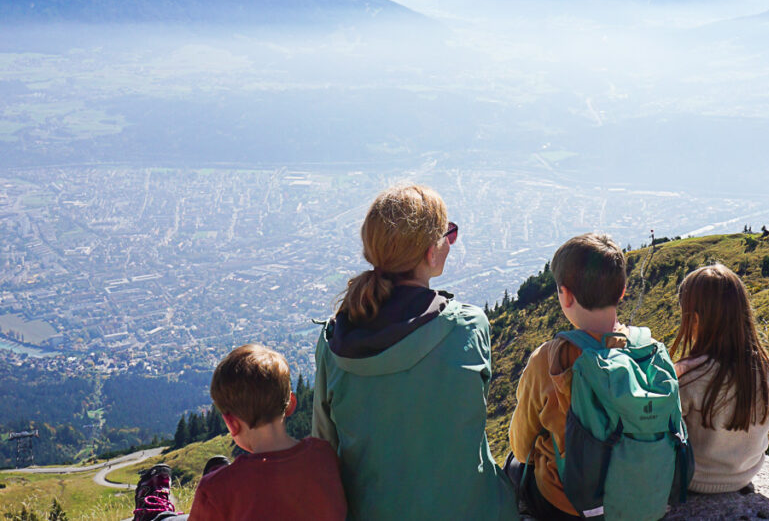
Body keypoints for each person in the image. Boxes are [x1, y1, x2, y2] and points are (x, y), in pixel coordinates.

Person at [312, 184, 517, 521]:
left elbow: (323, 446)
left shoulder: (334, 339)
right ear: (429, 252)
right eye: (447, 235)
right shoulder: (468, 327)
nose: (450, 243)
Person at [133, 344, 347, 521]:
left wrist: (223, 486)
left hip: (224, 494)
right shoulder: (324, 455)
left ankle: (155, 515)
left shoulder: (216, 489)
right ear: (291, 404)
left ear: (231, 424)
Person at [507, 233, 636, 520]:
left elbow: (520, 446)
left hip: (566, 503)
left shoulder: (549, 360)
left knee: (512, 467)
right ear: (622, 290)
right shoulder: (643, 350)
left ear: (565, 295)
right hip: (636, 494)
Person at [670, 264, 769, 494]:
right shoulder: (768, 373)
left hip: (690, 481)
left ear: (695, 319)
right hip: (743, 478)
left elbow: (665, 438)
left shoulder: (687, 377)